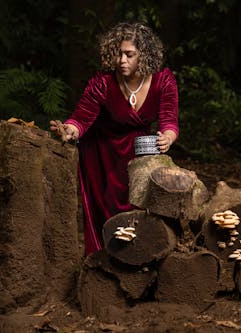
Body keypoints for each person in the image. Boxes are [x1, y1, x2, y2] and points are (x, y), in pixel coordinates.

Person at [50, 22, 179, 256]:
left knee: (137, 204)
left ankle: (139, 259)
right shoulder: (103, 82)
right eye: (118, 54)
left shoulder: (163, 80)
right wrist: (68, 130)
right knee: (104, 208)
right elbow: (81, 117)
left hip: (139, 152)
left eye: (129, 55)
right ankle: (104, 263)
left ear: (144, 55)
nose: (121, 60)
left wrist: (168, 137)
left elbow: (169, 120)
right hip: (101, 151)